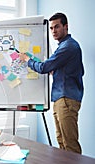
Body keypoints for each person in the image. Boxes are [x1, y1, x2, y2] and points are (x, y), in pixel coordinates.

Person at [19, 12, 84, 154]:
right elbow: (76, 71)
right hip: (61, 98)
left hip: (66, 99)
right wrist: (58, 71)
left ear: (66, 27)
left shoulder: (68, 46)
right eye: (51, 28)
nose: (53, 31)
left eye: (57, 27)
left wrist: (27, 60)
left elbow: (43, 68)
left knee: (70, 144)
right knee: (62, 141)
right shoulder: (64, 46)